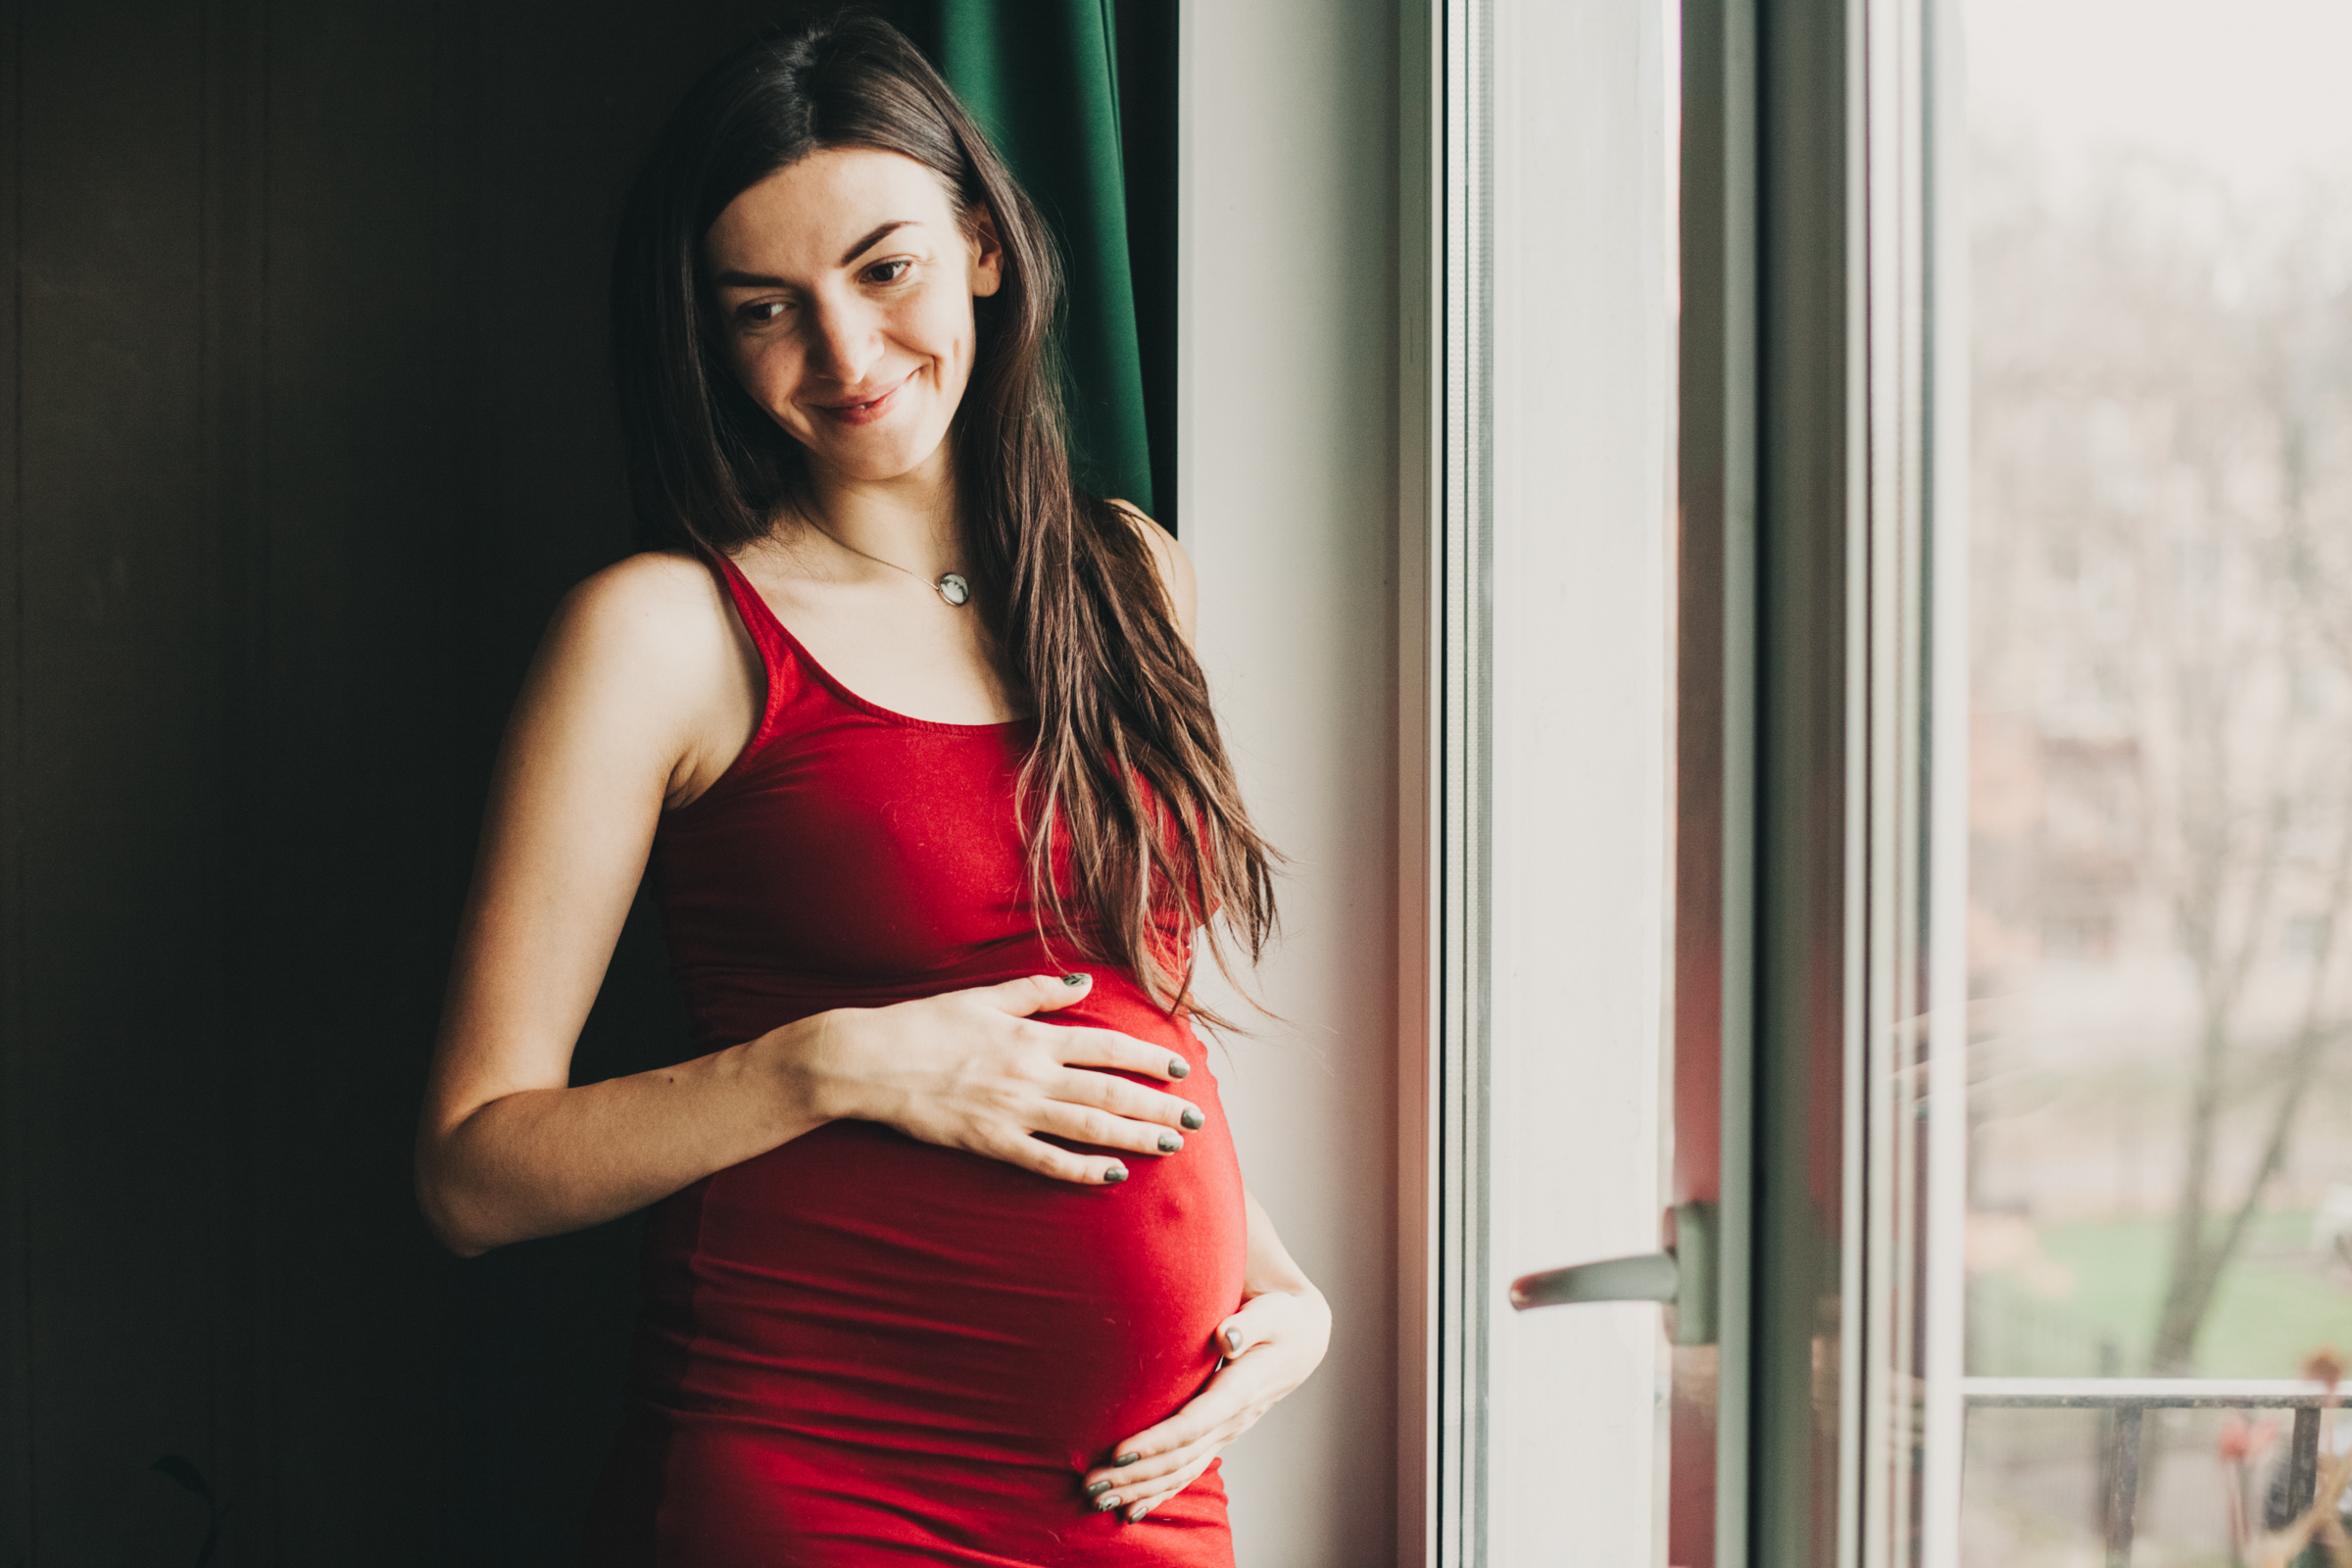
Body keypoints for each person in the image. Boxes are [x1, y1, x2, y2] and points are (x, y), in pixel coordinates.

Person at [413, 13, 1330, 1565]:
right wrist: (826, 1066)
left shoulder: (1129, 577)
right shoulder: (663, 634)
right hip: (822, 1475)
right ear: (707, 337)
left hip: (1142, 1490)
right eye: (765, 307)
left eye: (883, 267)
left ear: (982, 245)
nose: (842, 353)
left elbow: (1124, 1014)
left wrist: (1277, 1286)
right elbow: (472, 1173)